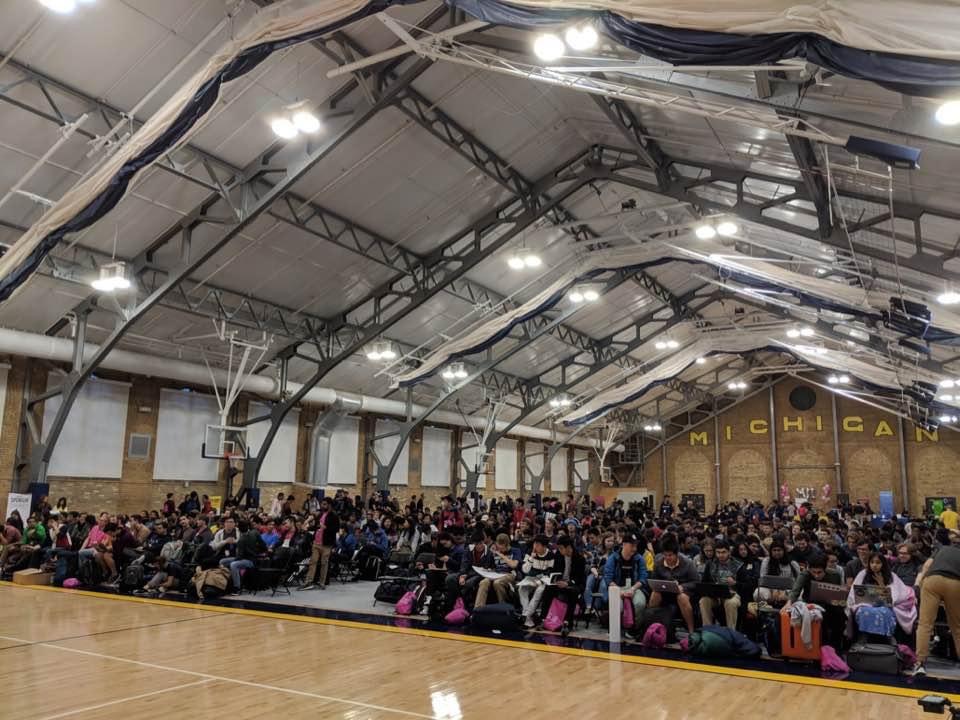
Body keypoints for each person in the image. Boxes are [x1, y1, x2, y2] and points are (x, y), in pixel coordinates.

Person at [912, 543, 960, 676]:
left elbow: (926, 566)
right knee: (957, 627)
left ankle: (920, 664)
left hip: (932, 580)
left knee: (925, 624)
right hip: (955, 582)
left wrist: (919, 586)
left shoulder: (943, 549)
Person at [846, 551, 916, 639]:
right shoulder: (863, 574)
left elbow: (893, 597)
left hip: (885, 606)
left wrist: (881, 583)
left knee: (884, 613)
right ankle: (864, 638)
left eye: (878, 563)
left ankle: (884, 639)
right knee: (863, 612)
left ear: (883, 564)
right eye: (872, 562)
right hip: (864, 605)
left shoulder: (891, 576)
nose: (874, 565)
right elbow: (854, 593)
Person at [648, 535, 700, 633]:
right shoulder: (658, 562)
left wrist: (682, 586)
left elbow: (696, 582)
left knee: (682, 597)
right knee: (655, 594)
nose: (667, 558)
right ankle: (650, 626)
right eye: (665, 555)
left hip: (683, 592)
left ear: (677, 554)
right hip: (665, 591)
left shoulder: (687, 563)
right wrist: (658, 585)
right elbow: (654, 580)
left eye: (670, 555)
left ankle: (691, 630)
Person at [601, 532, 648, 631]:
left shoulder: (639, 559)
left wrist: (633, 589)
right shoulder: (613, 558)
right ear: (624, 545)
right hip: (617, 588)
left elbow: (643, 578)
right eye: (632, 545)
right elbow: (608, 578)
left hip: (634, 587)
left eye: (635, 546)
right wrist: (619, 591)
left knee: (640, 604)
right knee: (618, 606)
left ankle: (634, 629)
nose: (634, 549)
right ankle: (617, 630)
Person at [540, 535, 586, 631]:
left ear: (569, 547)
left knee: (572, 592)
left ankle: (567, 622)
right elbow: (555, 570)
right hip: (560, 582)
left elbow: (579, 578)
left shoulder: (580, 559)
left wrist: (568, 583)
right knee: (548, 589)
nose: (559, 550)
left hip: (574, 585)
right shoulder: (559, 555)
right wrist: (553, 579)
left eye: (561, 548)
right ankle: (543, 618)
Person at [699, 539, 742, 629]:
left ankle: (731, 632)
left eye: (723, 552)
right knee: (704, 600)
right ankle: (707, 630)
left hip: (733, 594)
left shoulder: (738, 564)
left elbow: (748, 585)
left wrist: (735, 583)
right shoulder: (710, 564)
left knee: (730, 603)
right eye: (718, 552)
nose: (720, 555)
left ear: (729, 552)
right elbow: (704, 582)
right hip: (716, 595)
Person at [474, 533, 521, 608]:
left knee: (497, 583)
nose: (500, 550)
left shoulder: (515, 551)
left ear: (507, 544)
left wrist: (501, 555)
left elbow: (513, 565)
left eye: (502, 548)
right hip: (496, 574)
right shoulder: (494, 551)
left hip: (509, 574)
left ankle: (503, 607)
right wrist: (487, 570)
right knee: (483, 582)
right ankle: (478, 609)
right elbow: (490, 566)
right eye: (498, 547)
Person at [301, 499, 340, 590]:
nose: (322, 506)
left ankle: (322, 582)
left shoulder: (334, 516)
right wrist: (309, 528)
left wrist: (326, 528)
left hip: (326, 544)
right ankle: (308, 581)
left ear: (329, 505)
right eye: (322, 504)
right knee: (312, 562)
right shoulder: (321, 514)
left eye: (325, 504)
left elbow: (336, 529)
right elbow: (317, 526)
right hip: (316, 542)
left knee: (324, 563)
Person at [518, 535, 554, 628]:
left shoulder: (550, 555)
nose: (535, 546)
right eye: (534, 544)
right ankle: (527, 615)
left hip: (544, 580)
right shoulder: (530, 552)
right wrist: (531, 558)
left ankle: (526, 616)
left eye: (538, 545)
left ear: (544, 546)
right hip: (531, 578)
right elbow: (525, 570)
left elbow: (549, 573)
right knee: (522, 589)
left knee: (539, 590)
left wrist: (538, 582)